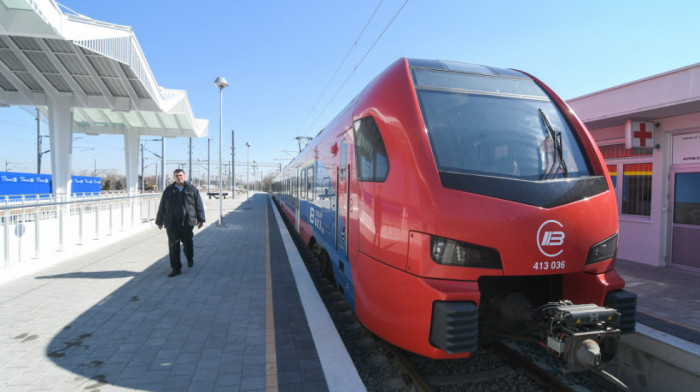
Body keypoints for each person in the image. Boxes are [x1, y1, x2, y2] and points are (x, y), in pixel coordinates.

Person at [155, 169, 205, 277]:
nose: (179, 177)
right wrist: (159, 221)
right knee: (173, 246)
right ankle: (176, 268)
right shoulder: (168, 190)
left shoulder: (192, 189)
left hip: (187, 222)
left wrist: (200, 219)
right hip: (172, 222)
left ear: (184, 176)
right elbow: (162, 206)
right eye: (177, 176)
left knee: (187, 244)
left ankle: (189, 258)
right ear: (174, 177)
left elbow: (198, 205)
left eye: (181, 175)